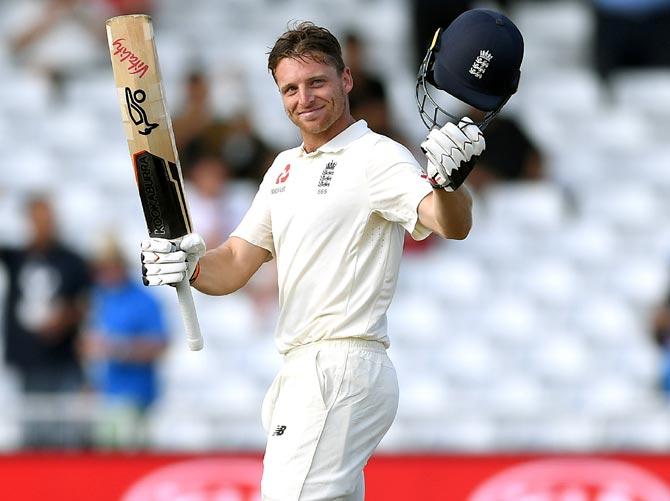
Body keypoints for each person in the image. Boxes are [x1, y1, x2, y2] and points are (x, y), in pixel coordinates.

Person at [140, 14, 520, 499]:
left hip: (341, 363)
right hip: (300, 370)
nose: (304, 98)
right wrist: (187, 264)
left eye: (316, 82)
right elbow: (234, 261)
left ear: (346, 79)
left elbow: (451, 222)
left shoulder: (377, 156)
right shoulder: (283, 168)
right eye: (290, 89)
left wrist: (450, 183)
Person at [0, 195, 91, 447]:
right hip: (28, 358)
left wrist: (65, 319)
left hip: (62, 358)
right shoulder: (16, 257)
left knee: (63, 434)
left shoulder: (72, 260)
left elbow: (87, 304)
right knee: (32, 433)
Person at [82, 235, 168, 448]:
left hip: (135, 394)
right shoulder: (100, 298)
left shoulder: (143, 300)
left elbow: (159, 345)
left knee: (124, 451)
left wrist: (119, 349)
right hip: (104, 394)